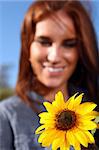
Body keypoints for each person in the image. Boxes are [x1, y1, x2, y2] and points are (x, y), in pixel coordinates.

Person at [0, 0, 99, 150]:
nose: (54, 57)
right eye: (44, 42)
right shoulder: (6, 116)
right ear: (28, 48)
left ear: (82, 51)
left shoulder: (92, 108)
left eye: (69, 44)